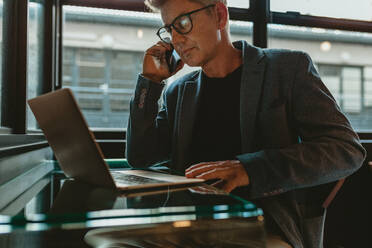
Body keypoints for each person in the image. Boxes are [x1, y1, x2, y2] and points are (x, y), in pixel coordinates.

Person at [126, 0, 366, 247]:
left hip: (264, 227)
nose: (176, 39)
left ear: (220, 15)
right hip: (190, 224)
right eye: (169, 29)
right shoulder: (178, 91)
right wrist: (150, 82)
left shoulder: (287, 69)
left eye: (183, 24)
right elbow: (140, 157)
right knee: (108, 241)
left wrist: (249, 169)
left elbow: (346, 150)